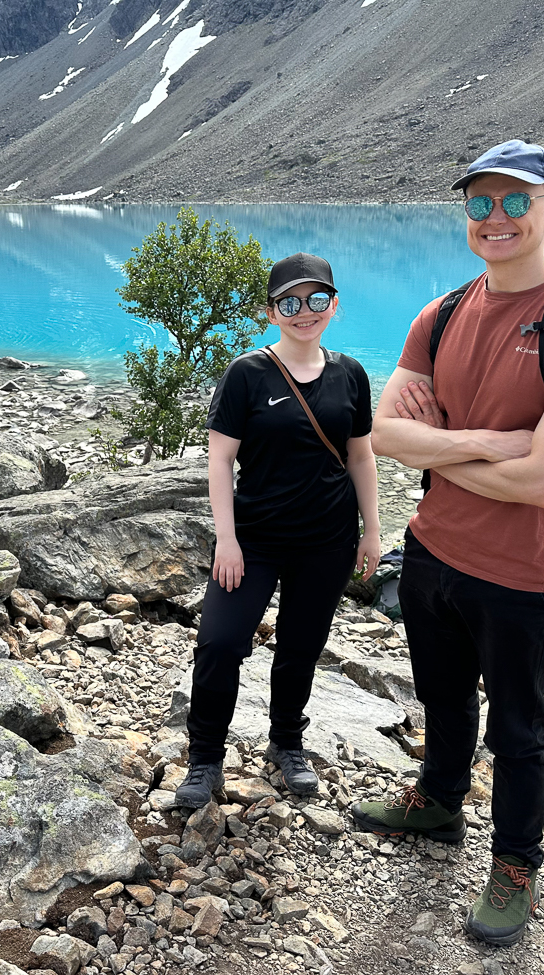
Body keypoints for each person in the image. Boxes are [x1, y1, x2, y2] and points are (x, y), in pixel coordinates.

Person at [356, 141, 544, 946]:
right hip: (432, 550)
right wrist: (491, 443)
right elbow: (383, 433)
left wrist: (439, 445)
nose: (496, 217)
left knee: (517, 729)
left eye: (517, 200)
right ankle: (440, 802)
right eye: (480, 202)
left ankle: (515, 865)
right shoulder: (440, 315)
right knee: (442, 698)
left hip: (526, 570)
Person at [175, 253, 381, 811]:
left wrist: (371, 531)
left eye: (316, 299)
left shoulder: (350, 374)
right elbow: (220, 461)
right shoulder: (248, 373)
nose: (303, 311)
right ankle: (205, 757)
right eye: (289, 302)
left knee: (301, 647)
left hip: (328, 540)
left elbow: (361, 457)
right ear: (271, 312)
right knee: (219, 643)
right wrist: (226, 539)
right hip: (255, 539)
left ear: (333, 306)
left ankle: (287, 742)